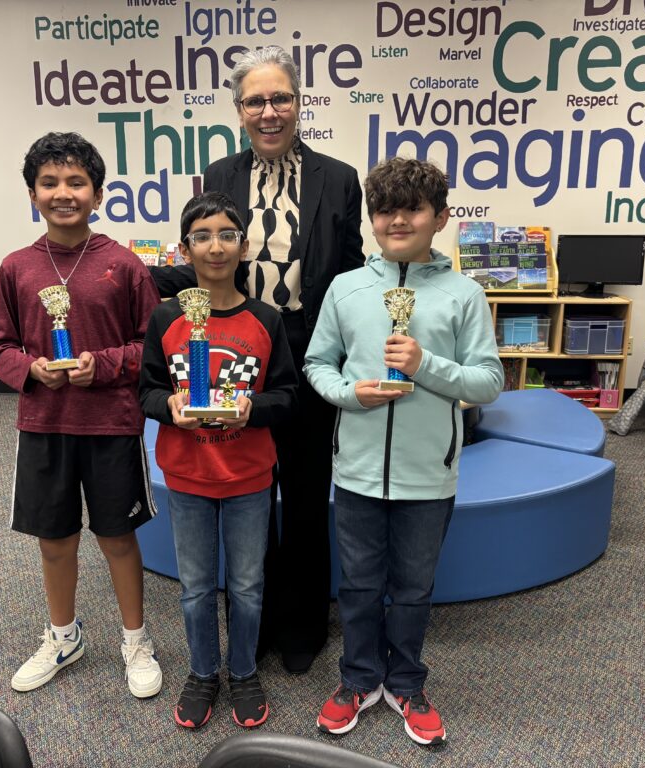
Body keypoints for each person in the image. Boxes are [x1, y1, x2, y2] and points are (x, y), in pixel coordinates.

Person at [150, 45, 364, 674]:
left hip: (308, 347)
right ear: (239, 110)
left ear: (299, 104)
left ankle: (300, 629)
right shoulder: (219, 174)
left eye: (281, 98)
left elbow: (348, 271)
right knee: (245, 494)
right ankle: (254, 622)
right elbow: (206, 253)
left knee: (302, 492)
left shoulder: (339, 177)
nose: (269, 111)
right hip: (233, 344)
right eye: (255, 101)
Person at [303, 157, 505, 745]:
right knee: (360, 585)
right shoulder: (347, 288)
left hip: (429, 475)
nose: (397, 220)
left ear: (440, 217)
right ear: (371, 218)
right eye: (385, 209)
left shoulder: (463, 294)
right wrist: (350, 395)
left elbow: (488, 381)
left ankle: (408, 682)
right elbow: (319, 363)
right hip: (359, 471)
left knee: (414, 588)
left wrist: (427, 366)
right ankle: (360, 679)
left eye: (412, 208)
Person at [0, 132, 163, 699]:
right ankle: (63, 635)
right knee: (54, 539)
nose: (64, 193)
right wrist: (32, 370)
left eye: (76, 182)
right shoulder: (16, 267)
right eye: (50, 183)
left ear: (99, 192)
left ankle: (136, 640)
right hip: (44, 425)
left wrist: (104, 366)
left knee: (117, 536)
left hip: (111, 424)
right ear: (32, 194)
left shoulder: (124, 266)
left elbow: (151, 347)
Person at [139, 192, 297, 729]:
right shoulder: (165, 317)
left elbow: (288, 396)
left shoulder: (266, 320)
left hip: (249, 476)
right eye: (202, 236)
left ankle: (244, 670)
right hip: (187, 475)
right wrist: (170, 406)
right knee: (197, 586)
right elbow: (146, 391)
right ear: (185, 248)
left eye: (226, 235)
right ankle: (203, 672)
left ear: (244, 245)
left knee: (249, 586)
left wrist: (252, 410)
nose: (215, 246)